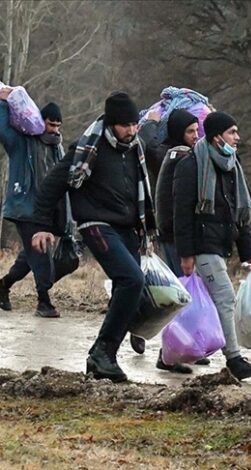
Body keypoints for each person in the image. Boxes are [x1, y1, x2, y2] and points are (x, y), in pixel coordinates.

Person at [32, 92, 156, 382]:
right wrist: (42, 225)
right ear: (112, 124)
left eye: (135, 125)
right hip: (96, 224)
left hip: (128, 228)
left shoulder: (134, 148)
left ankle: (104, 357)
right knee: (132, 279)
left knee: (132, 288)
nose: (132, 131)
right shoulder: (89, 148)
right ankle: (102, 352)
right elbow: (52, 184)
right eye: (126, 125)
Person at [172, 111, 251, 381]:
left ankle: (174, 350)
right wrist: (185, 253)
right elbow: (182, 214)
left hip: (220, 243)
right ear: (216, 137)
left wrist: (247, 250)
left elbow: (238, 211)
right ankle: (234, 359)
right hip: (202, 244)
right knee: (225, 297)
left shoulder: (232, 166)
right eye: (232, 132)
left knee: (203, 302)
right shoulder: (191, 165)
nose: (238, 138)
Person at [127, 109, 200, 356]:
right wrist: (150, 123)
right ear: (178, 131)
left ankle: (179, 344)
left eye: (197, 130)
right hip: (169, 230)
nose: (195, 135)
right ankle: (162, 343)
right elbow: (150, 145)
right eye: (190, 131)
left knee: (174, 291)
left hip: (174, 230)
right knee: (171, 293)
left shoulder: (188, 155)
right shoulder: (172, 154)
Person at [0, 88, 65, 318]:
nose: (54, 130)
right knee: (41, 251)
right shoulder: (22, 143)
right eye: (50, 124)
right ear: (40, 121)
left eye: (58, 126)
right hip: (24, 207)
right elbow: (3, 130)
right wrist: (2, 102)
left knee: (31, 255)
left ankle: (4, 285)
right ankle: (44, 301)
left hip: (46, 211)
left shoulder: (58, 148)